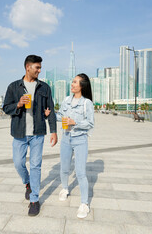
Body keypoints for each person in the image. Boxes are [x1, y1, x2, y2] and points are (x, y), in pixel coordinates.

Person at [3, 55, 58, 216]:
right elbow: (6, 108)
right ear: (28, 67)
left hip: (38, 133)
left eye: (40, 68)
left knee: (35, 166)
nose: (39, 71)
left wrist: (53, 130)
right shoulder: (14, 87)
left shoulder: (45, 87)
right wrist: (18, 104)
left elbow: (51, 110)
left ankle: (34, 200)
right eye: (37, 68)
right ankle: (27, 183)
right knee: (18, 163)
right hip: (19, 132)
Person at [56, 73, 94, 219]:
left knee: (80, 172)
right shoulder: (66, 100)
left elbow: (90, 123)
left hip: (80, 140)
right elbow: (60, 115)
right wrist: (50, 114)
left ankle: (84, 203)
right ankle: (65, 188)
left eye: (75, 82)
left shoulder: (87, 103)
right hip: (66, 138)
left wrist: (75, 123)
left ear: (82, 86)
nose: (72, 84)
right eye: (72, 82)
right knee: (64, 168)